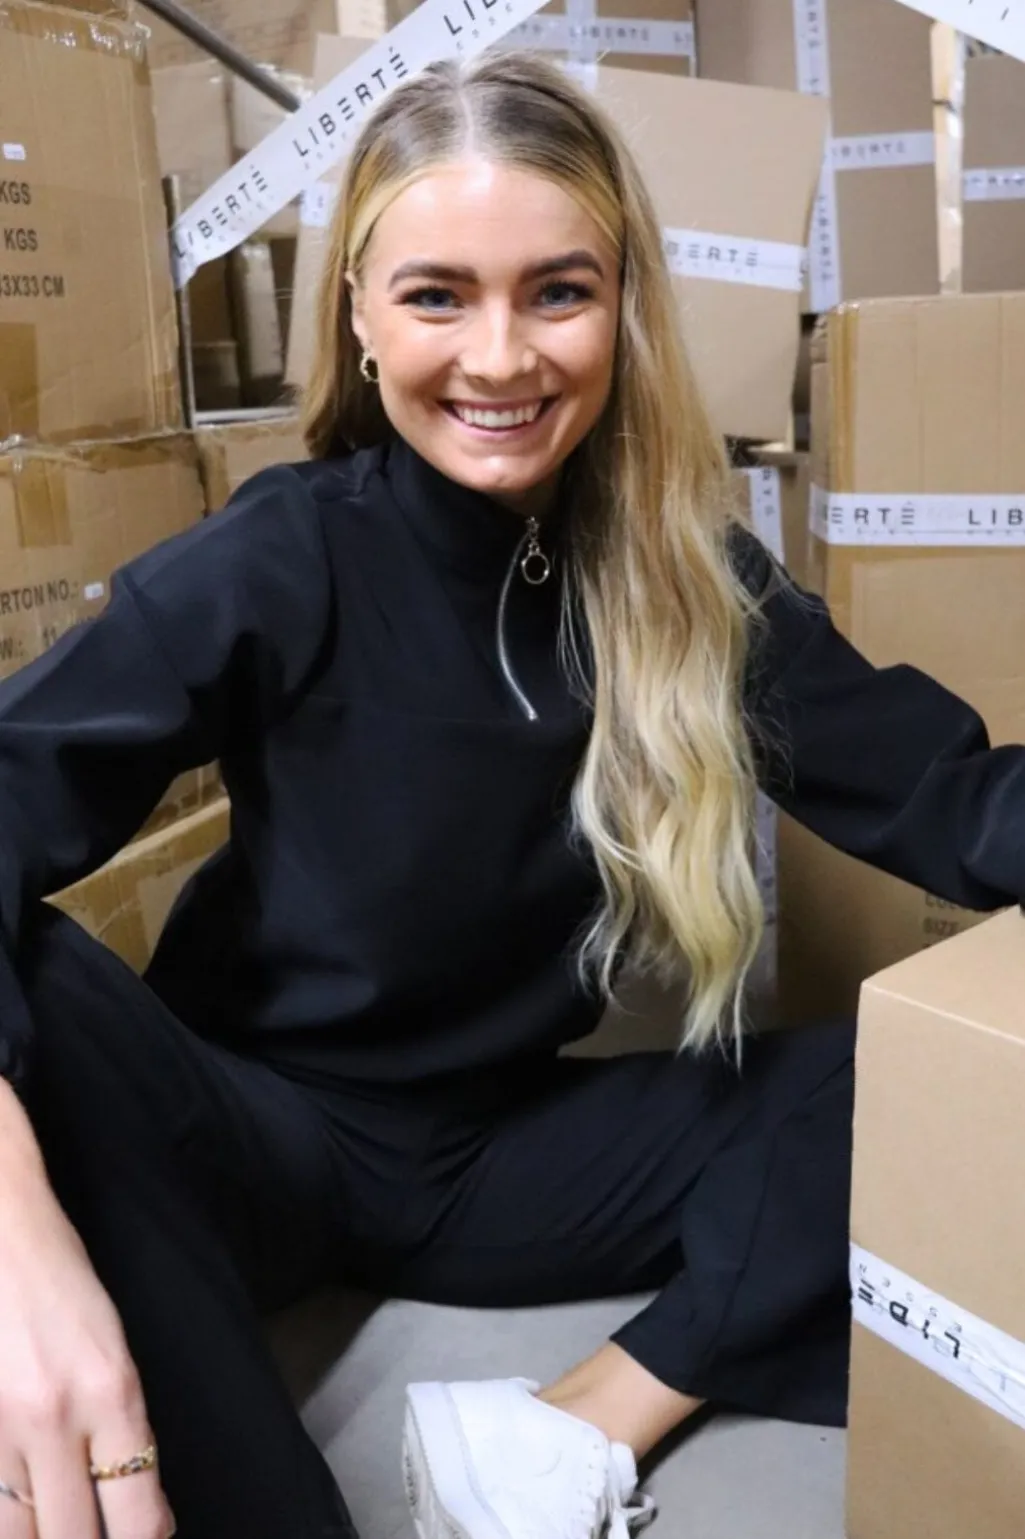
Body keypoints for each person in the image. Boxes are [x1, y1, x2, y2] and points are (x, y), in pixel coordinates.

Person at [0, 45, 1022, 1539]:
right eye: (437, 296)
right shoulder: (284, 554)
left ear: (624, 306)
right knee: (43, 984)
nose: (500, 357)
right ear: (359, 315)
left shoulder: (687, 579)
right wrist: (20, 1245)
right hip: (247, 1137)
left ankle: (575, 1424)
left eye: (557, 292)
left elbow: (948, 799)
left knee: (932, 1081)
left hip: (495, 1159)